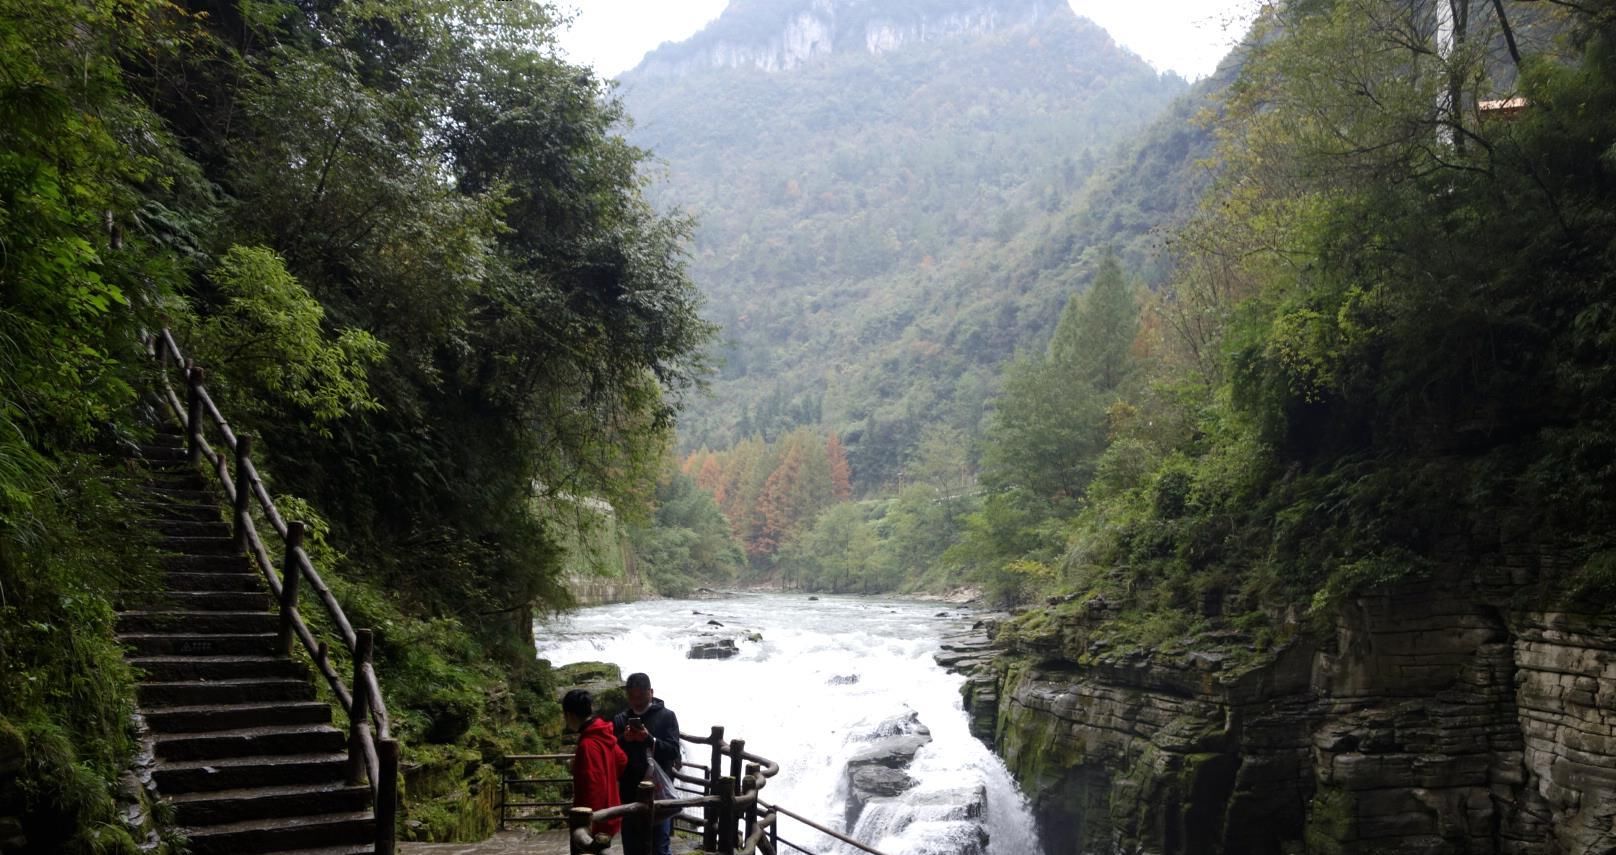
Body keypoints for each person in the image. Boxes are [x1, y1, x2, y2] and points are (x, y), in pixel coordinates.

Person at [612, 672, 681, 855]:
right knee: (632, 846)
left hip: (658, 793)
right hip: (629, 793)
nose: (637, 701)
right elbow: (613, 753)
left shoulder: (667, 716)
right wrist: (624, 739)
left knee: (660, 847)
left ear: (651, 692)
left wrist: (649, 739)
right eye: (632, 697)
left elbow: (673, 750)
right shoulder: (620, 719)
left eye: (641, 696)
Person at [563, 689, 628, 840]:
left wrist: (588, 823)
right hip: (611, 810)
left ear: (570, 715)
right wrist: (609, 774)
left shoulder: (587, 744)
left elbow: (592, 786)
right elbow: (622, 759)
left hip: (596, 820)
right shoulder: (603, 733)